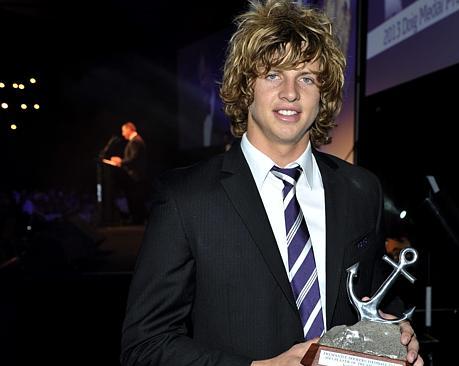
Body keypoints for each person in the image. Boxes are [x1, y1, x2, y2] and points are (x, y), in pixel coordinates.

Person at [120, 1, 423, 365]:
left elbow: (371, 296)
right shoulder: (186, 198)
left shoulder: (361, 189)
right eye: (273, 74)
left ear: (322, 95)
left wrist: (392, 329)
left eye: (307, 77)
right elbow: (145, 346)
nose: (291, 93)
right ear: (246, 86)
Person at [110, 122, 147, 224]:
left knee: (135, 199)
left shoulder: (136, 141)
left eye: (123, 131)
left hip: (135, 176)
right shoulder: (136, 141)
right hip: (135, 176)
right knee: (135, 199)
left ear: (129, 129)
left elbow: (133, 159)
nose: (122, 134)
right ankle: (137, 219)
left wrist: (120, 161)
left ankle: (137, 220)